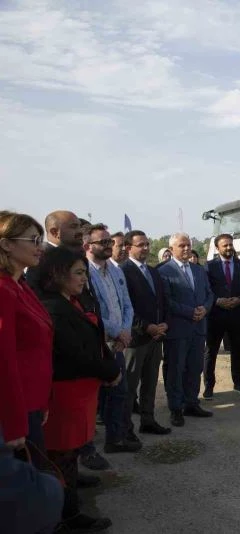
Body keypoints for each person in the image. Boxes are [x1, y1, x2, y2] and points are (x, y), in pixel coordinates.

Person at [39, 247, 121, 532]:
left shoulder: (70, 301)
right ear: (57, 274)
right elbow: (75, 354)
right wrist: (110, 370)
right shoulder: (53, 307)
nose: (84, 278)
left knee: (70, 451)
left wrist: (109, 365)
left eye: (85, 272)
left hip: (80, 391)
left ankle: (70, 495)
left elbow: (92, 340)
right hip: (65, 393)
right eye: (78, 273)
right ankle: (67, 515)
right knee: (60, 454)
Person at [26, 211, 112, 471]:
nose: (80, 231)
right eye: (74, 227)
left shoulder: (73, 262)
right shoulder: (42, 266)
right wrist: (106, 367)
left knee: (72, 440)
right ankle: (67, 496)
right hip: (65, 371)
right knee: (60, 441)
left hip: (84, 364)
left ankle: (75, 467)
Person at [0, 212, 53, 469]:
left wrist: (42, 402)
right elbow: (4, 361)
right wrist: (14, 424)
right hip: (17, 409)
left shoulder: (20, 285)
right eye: (33, 239)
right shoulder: (2, 290)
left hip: (32, 402)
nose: (39, 246)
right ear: (6, 244)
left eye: (40, 239)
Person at [84, 224, 138, 454]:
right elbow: (90, 312)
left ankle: (115, 438)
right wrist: (118, 331)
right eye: (103, 242)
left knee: (119, 392)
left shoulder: (115, 270)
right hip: (97, 342)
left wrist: (124, 332)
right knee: (94, 398)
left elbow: (127, 304)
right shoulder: (83, 272)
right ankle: (87, 449)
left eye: (110, 242)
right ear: (88, 246)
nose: (109, 246)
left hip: (118, 342)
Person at [159, 232, 215, 427]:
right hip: (178, 330)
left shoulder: (198, 270)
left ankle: (191, 402)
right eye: (181, 245)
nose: (186, 249)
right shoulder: (164, 271)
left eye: (188, 245)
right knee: (176, 369)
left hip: (198, 328)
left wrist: (205, 308)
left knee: (194, 368)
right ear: (172, 249)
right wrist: (189, 312)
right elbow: (167, 301)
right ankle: (176, 408)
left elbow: (209, 294)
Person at [120, 230, 171, 436]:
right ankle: (125, 428)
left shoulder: (153, 272)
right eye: (140, 245)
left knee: (150, 383)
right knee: (129, 387)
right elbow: (125, 306)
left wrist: (163, 324)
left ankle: (148, 420)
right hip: (136, 339)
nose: (146, 248)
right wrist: (146, 326)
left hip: (156, 337)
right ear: (128, 247)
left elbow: (162, 301)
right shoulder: (123, 272)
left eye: (147, 244)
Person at [203, 234, 240, 399]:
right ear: (217, 248)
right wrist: (217, 301)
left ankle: (238, 382)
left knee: (237, 350)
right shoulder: (209, 267)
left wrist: (239, 299)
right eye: (225, 245)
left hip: (236, 315)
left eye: (231, 245)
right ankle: (209, 386)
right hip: (215, 316)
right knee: (211, 351)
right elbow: (205, 290)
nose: (229, 248)